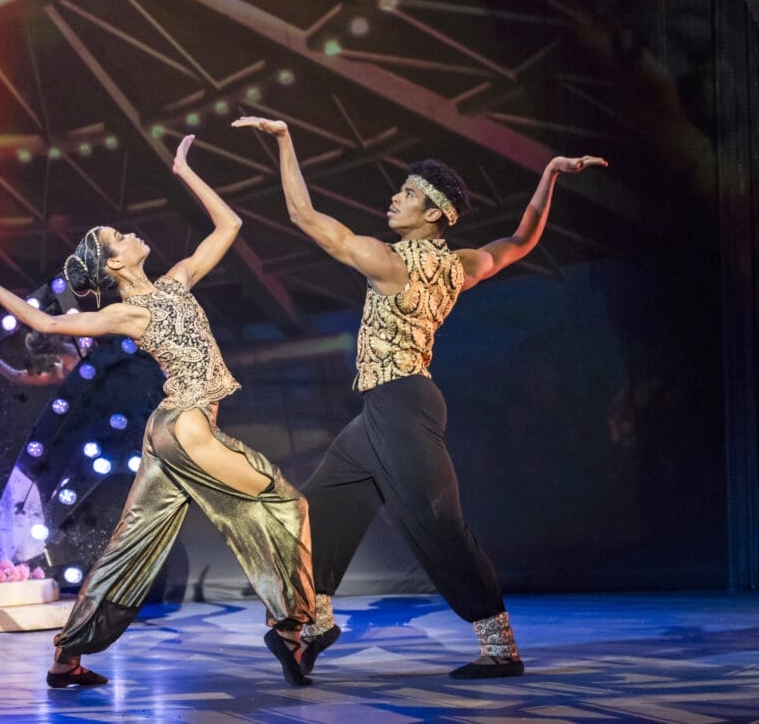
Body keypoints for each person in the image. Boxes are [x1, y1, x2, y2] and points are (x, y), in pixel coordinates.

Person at [235, 115, 606, 679]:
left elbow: (303, 216)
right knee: (316, 511)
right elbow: (521, 240)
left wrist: (286, 139)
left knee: (438, 525)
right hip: (386, 410)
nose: (394, 197)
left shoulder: (387, 264)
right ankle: (311, 629)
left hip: (402, 406)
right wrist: (550, 174)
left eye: (407, 194)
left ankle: (500, 649)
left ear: (433, 214)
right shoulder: (461, 266)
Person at [0, 135, 315, 689]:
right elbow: (48, 325)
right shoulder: (127, 313)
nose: (131, 232)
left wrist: (185, 170)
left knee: (128, 547)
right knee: (288, 504)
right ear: (115, 262)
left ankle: (66, 658)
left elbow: (229, 226)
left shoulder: (176, 281)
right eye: (119, 237)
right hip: (187, 425)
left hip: (168, 434)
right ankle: (294, 628)